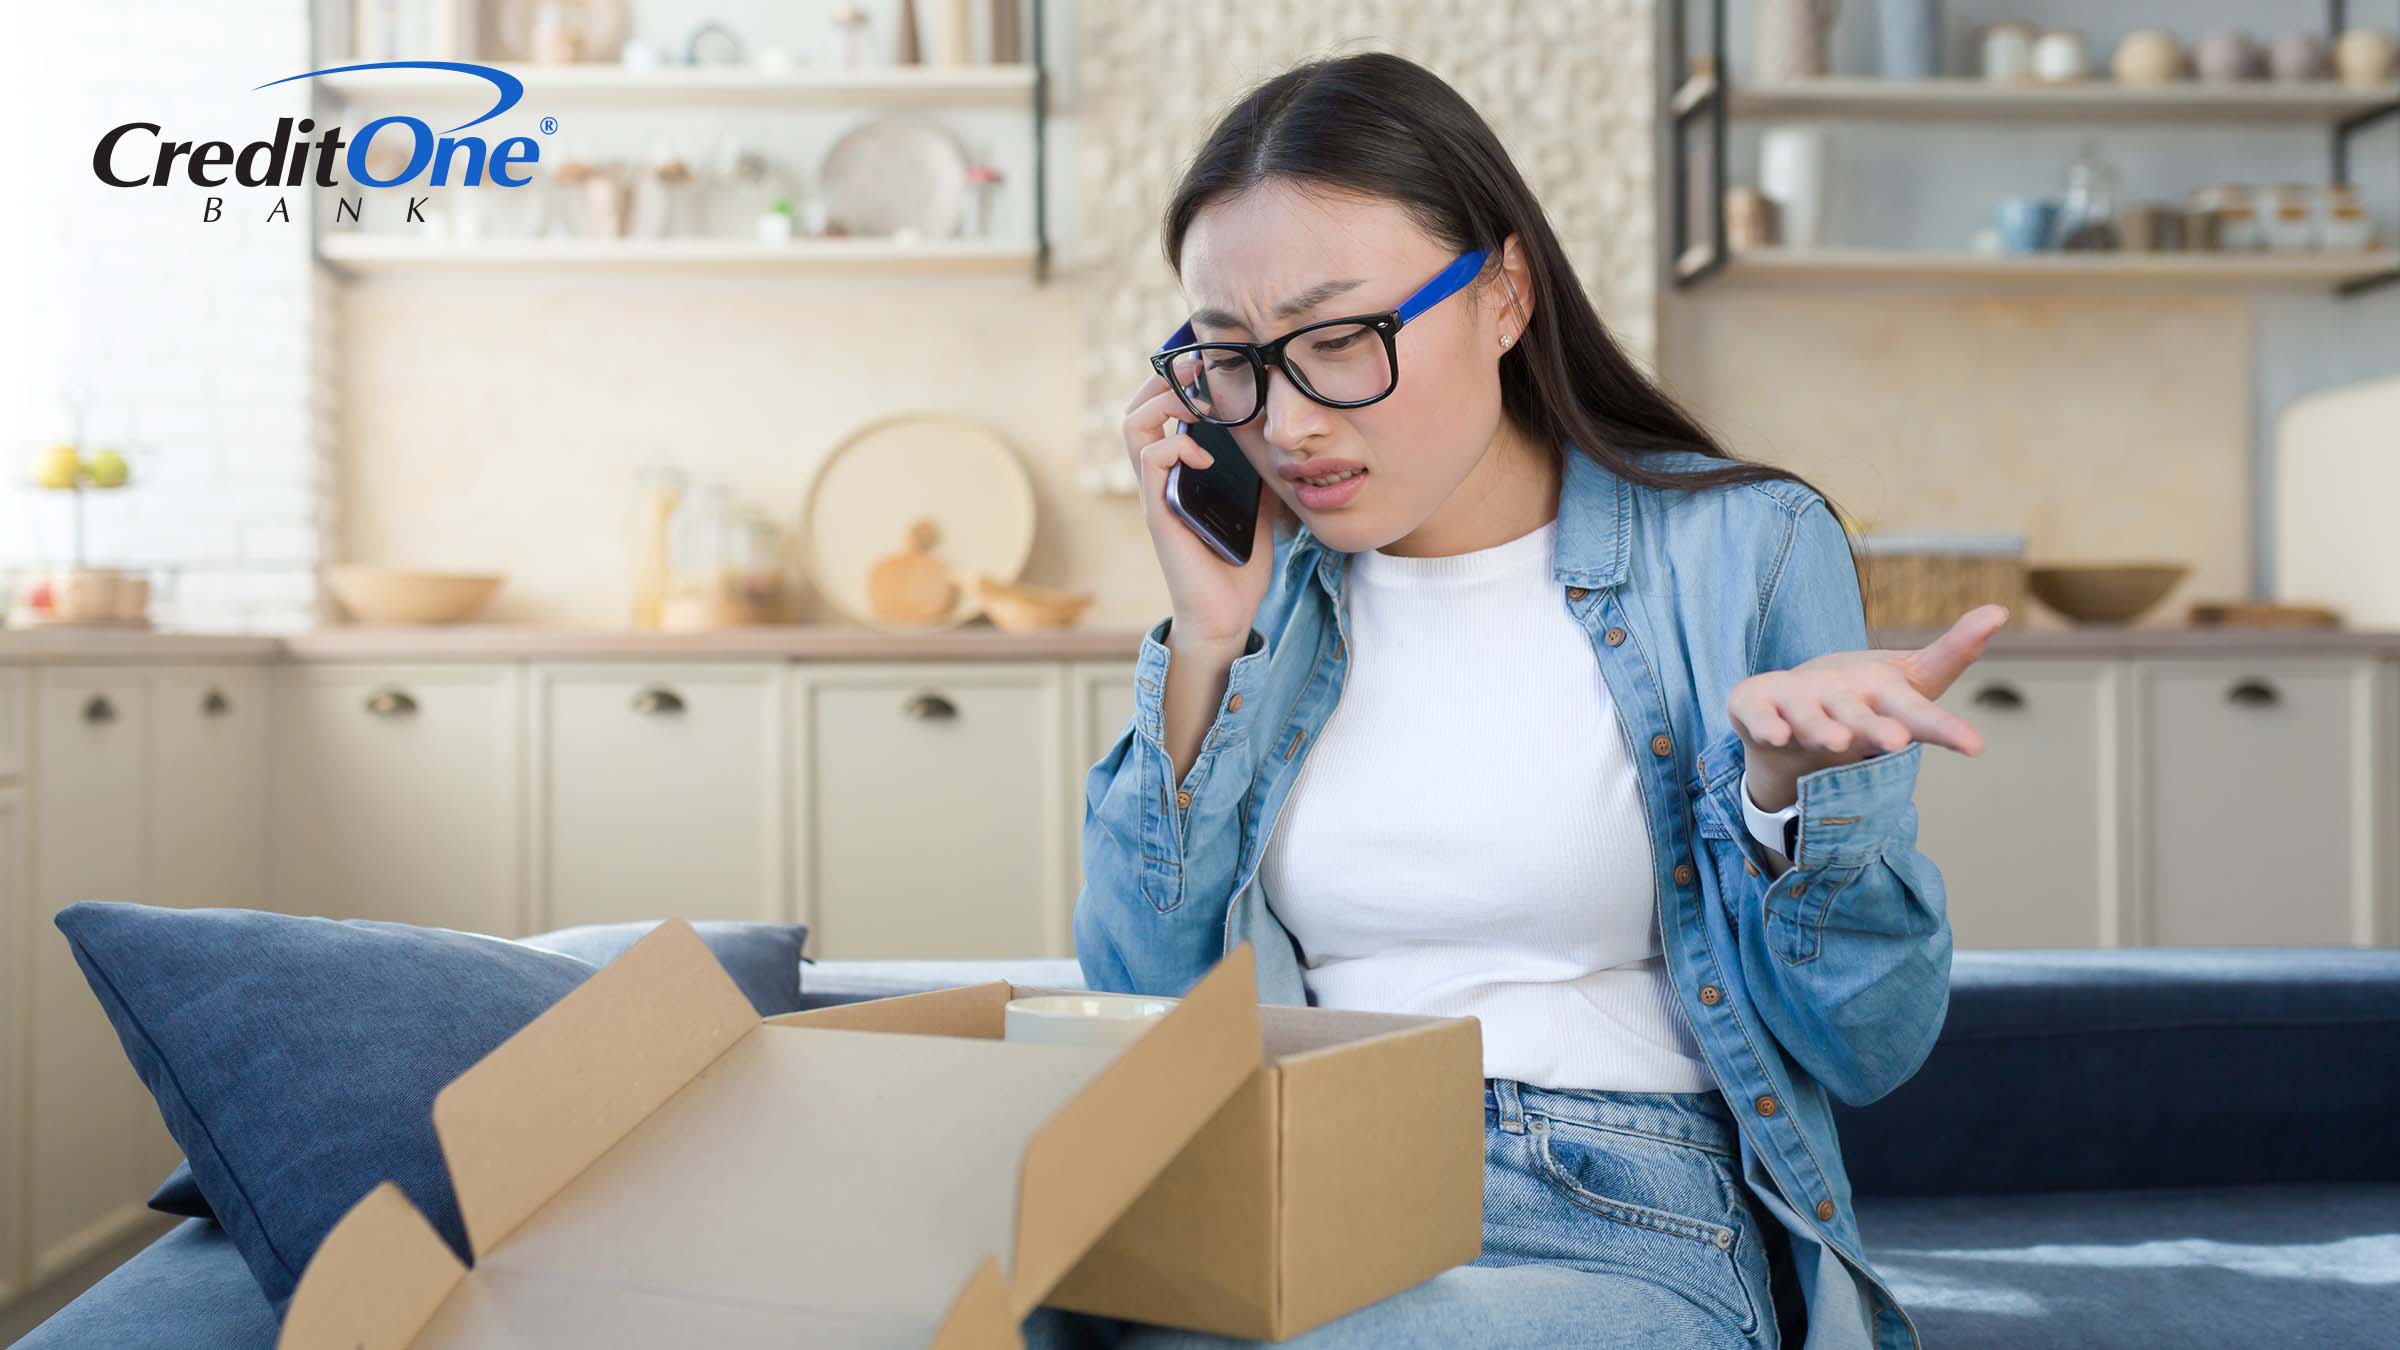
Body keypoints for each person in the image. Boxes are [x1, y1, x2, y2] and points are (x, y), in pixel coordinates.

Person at [1047, 52, 2003, 1350]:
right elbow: (1142, 981)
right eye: (1232, 360)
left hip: (1611, 1192)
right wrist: (1210, 641)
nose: (1287, 421)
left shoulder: (1746, 548)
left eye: (1340, 339)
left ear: (1504, 292)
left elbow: (1868, 1043)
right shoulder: (1268, 590)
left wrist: (1800, 803)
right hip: (1288, 1176)